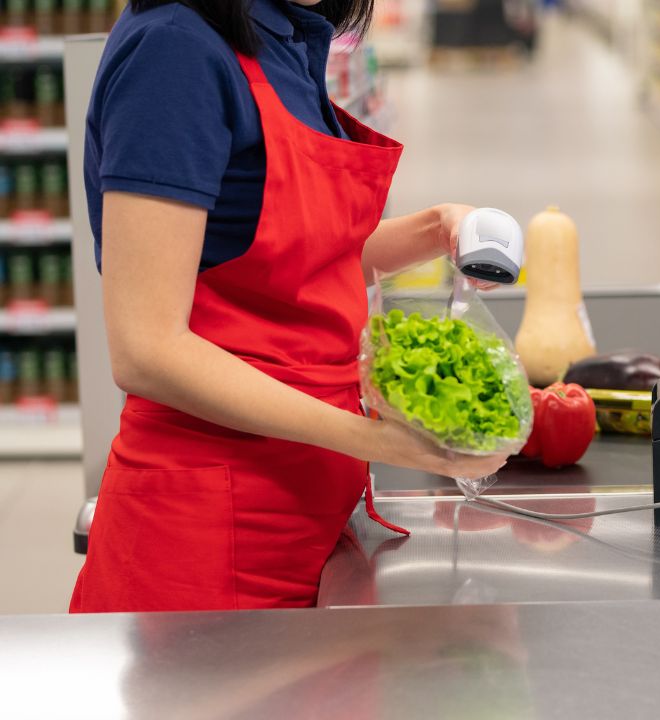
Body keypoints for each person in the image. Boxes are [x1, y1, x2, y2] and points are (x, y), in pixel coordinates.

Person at [71, 0, 511, 613]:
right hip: (204, 547)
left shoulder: (277, 34)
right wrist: (378, 440)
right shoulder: (174, 54)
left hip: (307, 525)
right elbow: (147, 348)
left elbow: (288, 265)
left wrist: (438, 228)